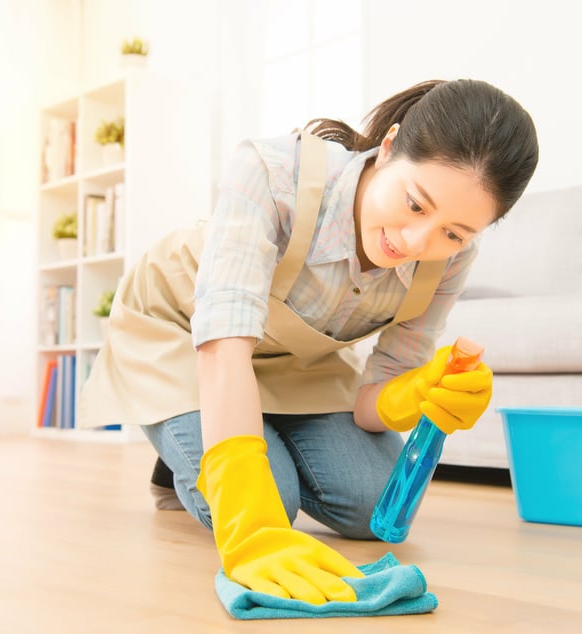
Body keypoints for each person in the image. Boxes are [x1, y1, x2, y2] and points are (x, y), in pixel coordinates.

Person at [79, 78, 539, 605]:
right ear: (388, 147)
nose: (417, 243)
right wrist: (253, 530)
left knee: (376, 506)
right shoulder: (273, 173)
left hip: (293, 358)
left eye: (454, 233)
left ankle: (233, 433)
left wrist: (414, 395)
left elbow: (371, 406)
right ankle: (185, 451)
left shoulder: (450, 258)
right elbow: (224, 348)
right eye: (415, 204)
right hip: (185, 333)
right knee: (265, 497)